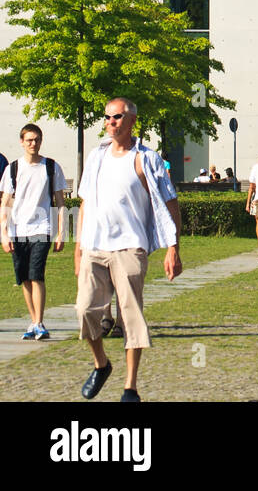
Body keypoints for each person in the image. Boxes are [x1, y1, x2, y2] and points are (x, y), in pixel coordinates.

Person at [74, 98, 182, 401]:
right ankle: (101, 364)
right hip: (95, 246)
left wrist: (174, 248)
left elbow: (170, 203)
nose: (111, 123)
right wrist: (79, 247)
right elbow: (85, 203)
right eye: (107, 117)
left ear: (132, 120)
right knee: (85, 310)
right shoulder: (96, 157)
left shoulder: (147, 159)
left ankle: (130, 387)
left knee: (130, 316)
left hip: (130, 247)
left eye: (117, 117)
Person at [1, 124, 68, 341]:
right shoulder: (12, 169)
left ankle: (39, 322)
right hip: (18, 229)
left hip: (42, 228)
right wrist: (3, 233)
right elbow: (5, 204)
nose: (33, 144)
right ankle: (33, 321)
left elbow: (60, 202)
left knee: (36, 274)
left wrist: (61, 232)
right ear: (22, 141)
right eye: (29, 140)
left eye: (37, 139)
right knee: (24, 279)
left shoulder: (50, 167)